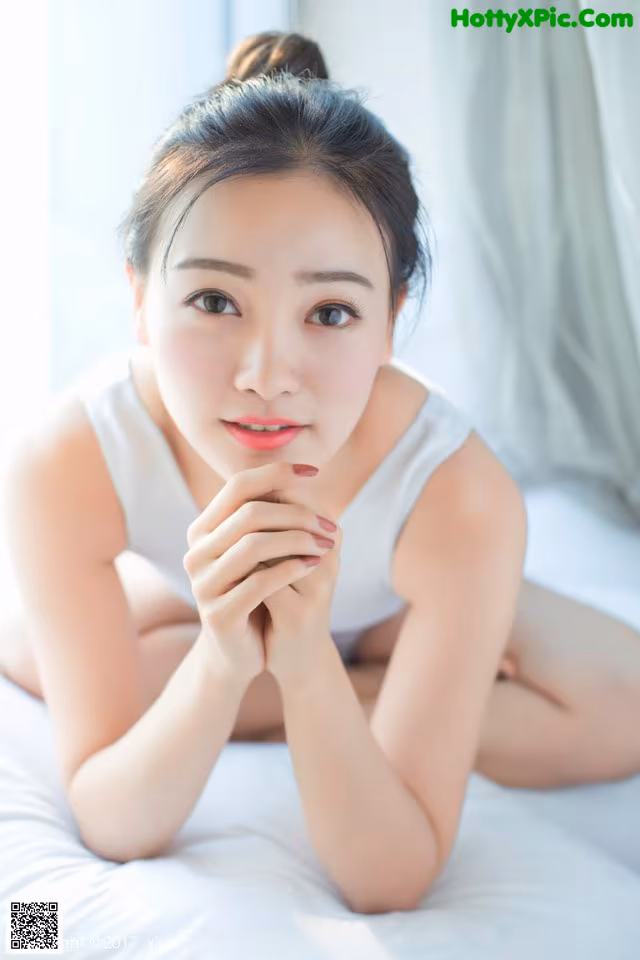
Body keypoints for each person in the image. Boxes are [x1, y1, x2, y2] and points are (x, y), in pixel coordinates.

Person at [1, 30, 640, 905]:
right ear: (141, 300)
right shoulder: (67, 460)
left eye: (331, 312)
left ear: (391, 320)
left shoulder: (456, 495)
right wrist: (225, 658)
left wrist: (307, 668)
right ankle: (303, 668)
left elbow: (391, 875)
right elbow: (113, 815)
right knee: (25, 649)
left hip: (387, 608)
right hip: (193, 606)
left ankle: (342, 668)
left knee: (628, 706)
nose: (266, 373)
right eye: (215, 300)